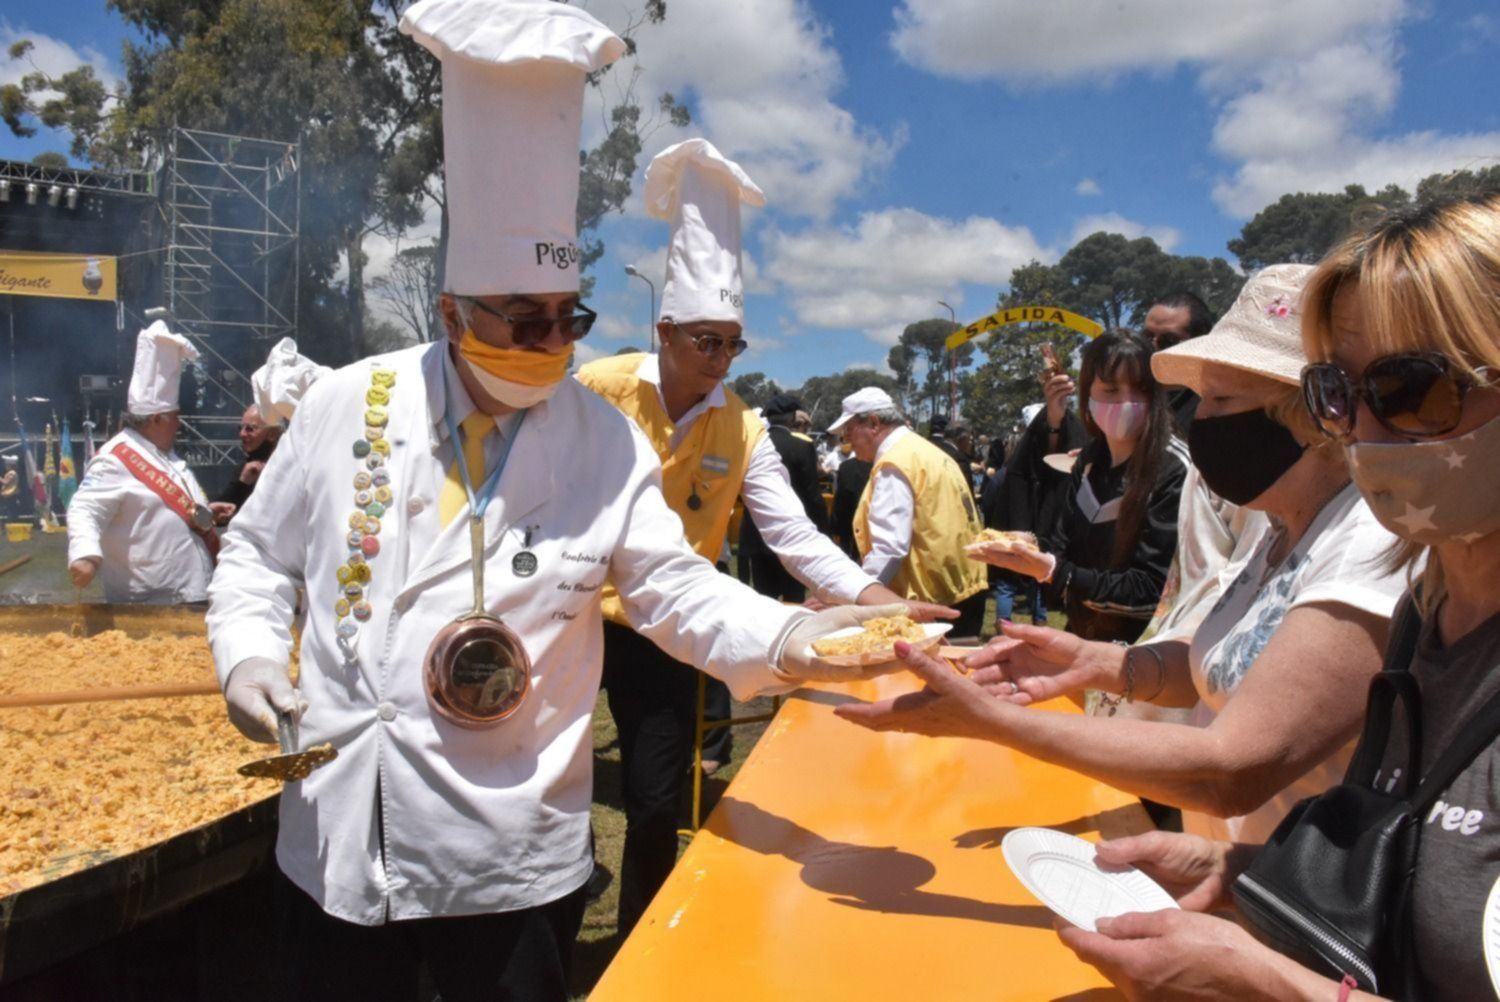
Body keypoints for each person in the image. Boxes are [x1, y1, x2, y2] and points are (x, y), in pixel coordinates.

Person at [206, 9, 899, 999]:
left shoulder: (601, 439)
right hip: (337, 831)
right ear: (452, 312)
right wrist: (244, 657)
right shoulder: (345, 404)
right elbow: (256, 558)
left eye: (567, 320)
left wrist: (795, 636)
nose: (548, 345)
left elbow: (672, 588)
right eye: (521, 320)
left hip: (508, 849)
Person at [1050, 193, 1500, 1002]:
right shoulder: (1427, 609)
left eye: (1410, 389)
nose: (1361, 431)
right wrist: (1238, 870)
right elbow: (1413, 881)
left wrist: (1265, 980)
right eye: (1335, 393)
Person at [840, 264, 1410, 847]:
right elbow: (1216, 668)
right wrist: (1099, 663)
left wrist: (995, 722)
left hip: (1283, 886)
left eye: (1221, 397)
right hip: (1224, 869)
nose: (1200, 418)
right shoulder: (1279, 531)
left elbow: (1231, 770)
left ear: (1314, 411)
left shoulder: (1366, 547)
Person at [577, 138, 948, 935]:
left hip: (668, 625)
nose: (720, 361)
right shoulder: (598, 389)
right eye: (705, 341)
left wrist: (878, 602)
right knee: (555, 786)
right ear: (665, 330)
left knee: (654, 798)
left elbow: (794, 536)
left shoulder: (742, 425)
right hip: (570, 617)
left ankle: (642, 943)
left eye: (732, 344)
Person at [988, 331, 1188, 644]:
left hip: (1145, 653)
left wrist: (1058, 573)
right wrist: (1031, 550)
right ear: (1087, 392)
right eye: (1111, 389)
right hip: (1085, 640)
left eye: (1140, 389)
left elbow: (1154, 590)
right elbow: (1061, 541)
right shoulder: (1090, 460)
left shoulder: (1174, 468)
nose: (1125, 403)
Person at [66, 321, 219, 603]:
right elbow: (85, 509)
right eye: (175, 417)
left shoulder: (164, 454)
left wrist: (205, 510)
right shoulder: (115, 459)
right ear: (156, 419)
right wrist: (86, 554)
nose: (179, 424)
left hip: (190, 595)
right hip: (149, 603)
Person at [833, 388, 989, 641]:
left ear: (873, 423)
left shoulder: (896, 463)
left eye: (849, 429)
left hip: (929, 603)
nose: (846, 439)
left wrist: (856, 595)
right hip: (962, 589)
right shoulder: (926, 452)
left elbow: (889, 548)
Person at [737, 392, 829, 602]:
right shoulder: (802, 446)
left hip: (758, 533)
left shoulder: (751, 446)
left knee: (764, 599)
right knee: (794, 598)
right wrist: (823, 531)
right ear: (793, 418)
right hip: (792, 536)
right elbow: (812, 495)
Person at [1143, 290, 1214, 435]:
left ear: (1199, 344)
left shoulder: (1212, 411)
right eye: (1146, 337)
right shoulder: (1129, 396)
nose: (1153, 349)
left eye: (1168, 341)